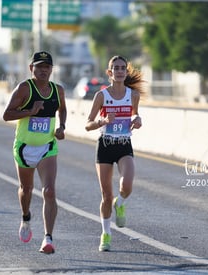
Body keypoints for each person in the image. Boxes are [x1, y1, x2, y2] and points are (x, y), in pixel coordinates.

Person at [3, 51, 67, 254]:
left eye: (46, 67)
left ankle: (48, 238)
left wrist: (62, 126)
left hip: (47, 146)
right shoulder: (24, 88)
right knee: (27, 189)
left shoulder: (58, 90)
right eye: (39, 66)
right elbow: (6, 114)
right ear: (31, 68)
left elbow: (62, 109)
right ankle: (25, 216)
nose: (43, 70)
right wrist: (30, 110)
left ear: (51, 70)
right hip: (24, 147)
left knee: (49, 191)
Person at [85, 55, 145, 252]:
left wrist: (137, 119)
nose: (119, 71)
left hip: (124, 144)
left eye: (122, 68)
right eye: (115, 68)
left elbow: (134, 113)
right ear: (109, 73)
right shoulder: (101, 96)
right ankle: (106, 234)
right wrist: (102, 122)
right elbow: (88, 124)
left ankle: (120, 203)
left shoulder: (132, 95)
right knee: (105, 194)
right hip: (105, 145)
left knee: (126, 185)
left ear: (126, 72)